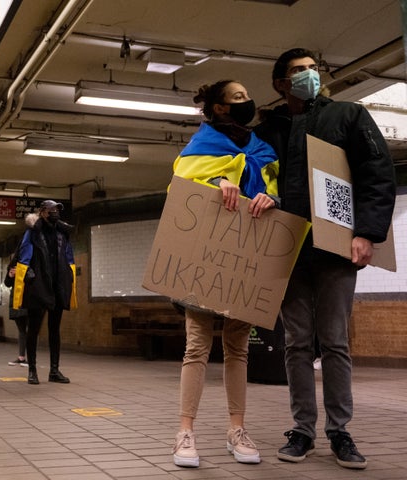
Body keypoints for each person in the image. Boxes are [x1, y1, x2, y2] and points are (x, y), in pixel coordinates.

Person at [254, 47, 396, 470]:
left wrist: (368, 233)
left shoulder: (347, 116)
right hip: (288, 248)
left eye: (313, 69)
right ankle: (302, 430)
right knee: (297, 342)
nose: (308, 76)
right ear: (281, 84)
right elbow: (253, 171)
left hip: (335, 248)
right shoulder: (269, 129)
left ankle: (340, 431)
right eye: (299, 71)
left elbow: (376, 172)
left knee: (335, 341)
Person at [170, 80, 280, 468]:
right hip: (204, 256)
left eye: (246, 96)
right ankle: (185, 432)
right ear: (218, 108)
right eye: (237, 98)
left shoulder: (262, 149)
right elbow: (183, 184)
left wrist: (272, 197)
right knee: (196, 347)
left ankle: (237, 429)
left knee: (238, 347)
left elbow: (273, 185)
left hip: (245, 258)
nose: (246, 102)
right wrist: (217, 182)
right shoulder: (200, 146)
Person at [12, 200, 77, 385]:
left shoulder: (62, 233)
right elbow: (23, 254)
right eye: (51, 210)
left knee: (54, 330)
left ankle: (54, 370)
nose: (55, 212)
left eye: (57, 209)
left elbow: (68, 256)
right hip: (38, 285)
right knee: (33, 329)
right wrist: (29, 273)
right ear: (43, 212)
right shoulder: (33, 232)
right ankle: (32, 370)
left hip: (58, 285)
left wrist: (69, 278)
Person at [4, 253, 28, 367]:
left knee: (30, 330)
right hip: (16, 301)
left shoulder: (30, 265)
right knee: (22, 330)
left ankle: (30, 358)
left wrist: (22, 274)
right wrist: (10, 275)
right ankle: (21, 357)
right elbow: (7, 284)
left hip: (29, 299)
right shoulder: (12, 267)